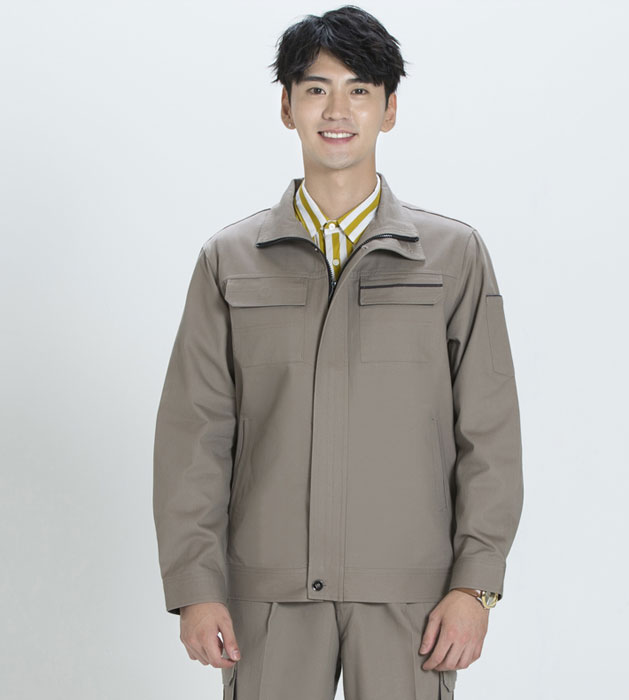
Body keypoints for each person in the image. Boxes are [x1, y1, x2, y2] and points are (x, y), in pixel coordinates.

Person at [152, 5, 524, 699]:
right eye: (316, 88)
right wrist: (196, 586)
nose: (337, 110)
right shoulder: (230, 260)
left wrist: (476, 585)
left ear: (389, 110)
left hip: (411, 596)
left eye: (360, 90)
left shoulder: (453, 257)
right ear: (286, 106)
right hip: (267, 594)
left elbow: (490, 434)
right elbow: (194, 437)